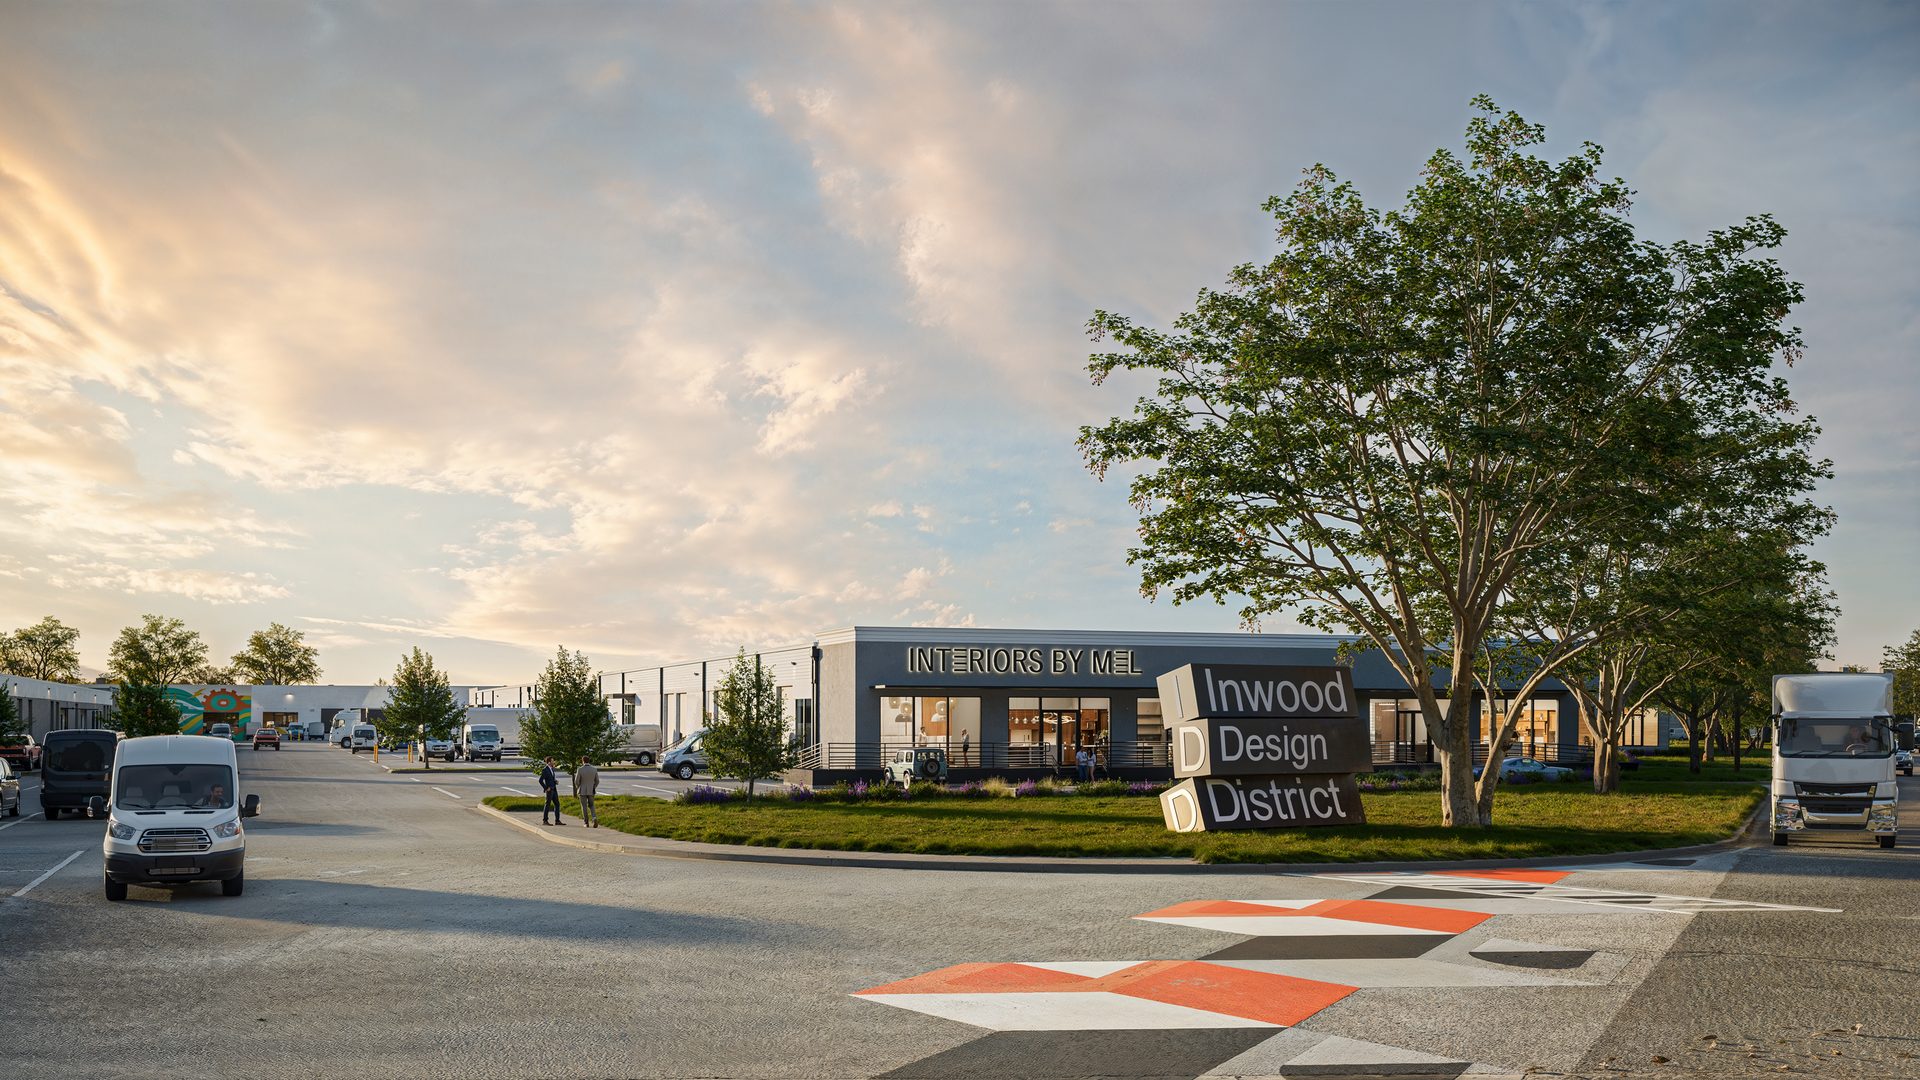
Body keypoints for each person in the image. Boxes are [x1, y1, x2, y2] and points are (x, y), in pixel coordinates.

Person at [575, 757, 600, 828]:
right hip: (591, 790)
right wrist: (593, 787)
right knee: (592, 805)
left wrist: (578, 787)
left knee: (584, 806)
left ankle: (586, 822)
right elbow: (597, 781)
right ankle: (594, 817)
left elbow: (576, 781)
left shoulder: (580, 769)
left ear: (583, 761)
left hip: (582, 790)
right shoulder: (594, 769)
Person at [539, 757, 563, 825]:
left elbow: (551, 779)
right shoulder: (545, 770)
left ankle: (557, 820)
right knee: (548, 805)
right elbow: (540, 780)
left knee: (557, 804)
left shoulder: (551, 769)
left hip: (554, 789)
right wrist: (546, 788)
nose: (554, 762)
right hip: (549, 790)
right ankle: (545, 820)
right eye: (552, 761)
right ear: (549, 762)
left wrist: (555, 781)